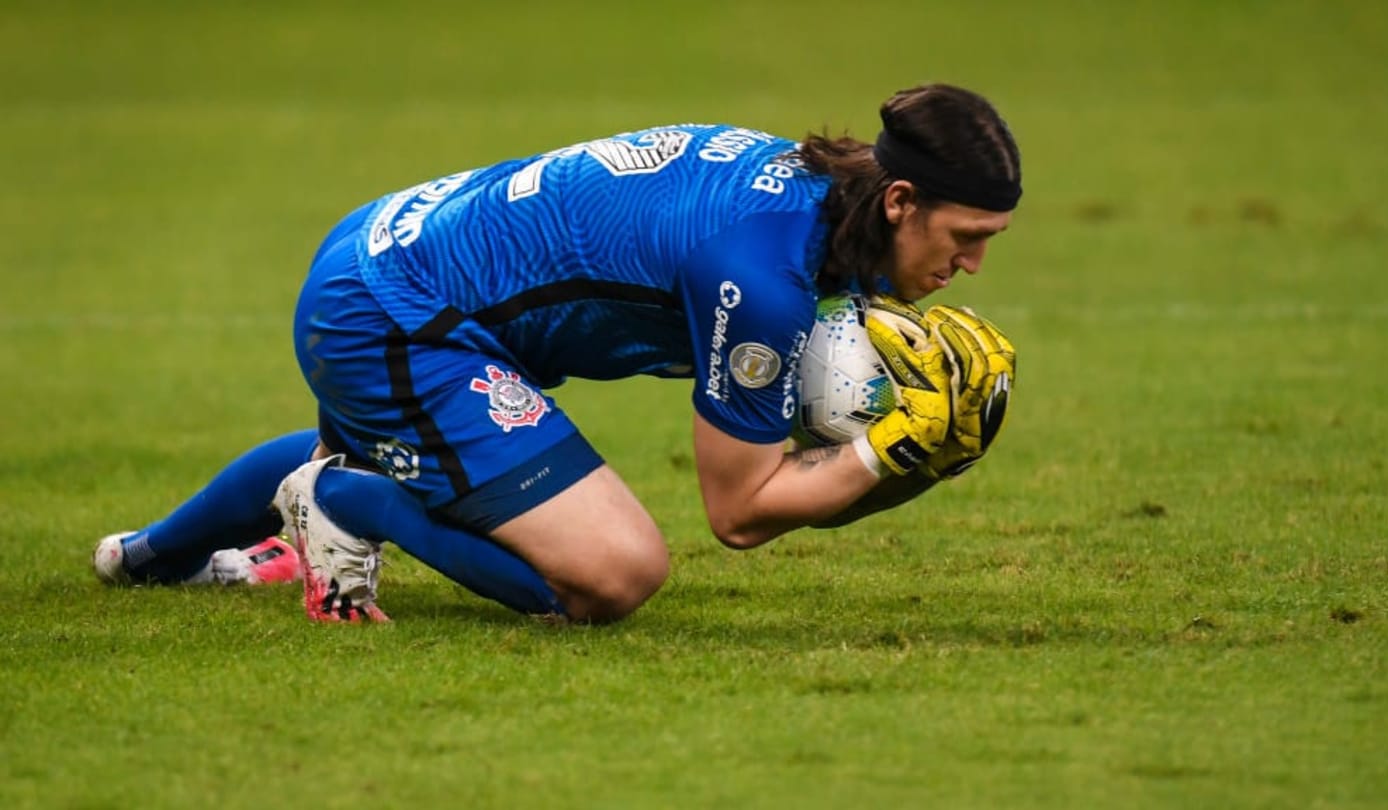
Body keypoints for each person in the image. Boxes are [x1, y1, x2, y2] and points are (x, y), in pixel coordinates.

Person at [93, 83, 1022, 624]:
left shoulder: (821, 196)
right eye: (968, 234)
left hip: (387, 242)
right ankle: (341, 501)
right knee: (615, 575)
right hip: (397, 315)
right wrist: (895, 452)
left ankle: (145, 559)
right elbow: (741, 513)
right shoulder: (765, 274)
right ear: (899, 200)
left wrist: (920, 456)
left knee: (400, 438)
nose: (972, 264)